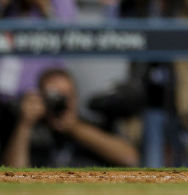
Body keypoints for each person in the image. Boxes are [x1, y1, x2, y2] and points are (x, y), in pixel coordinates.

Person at [1, 67, 139, 167]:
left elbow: (130, 159)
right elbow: (13, 176)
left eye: (66, 96)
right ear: (41, 98)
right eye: (54, 97)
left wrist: (74, 128)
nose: (60, 103)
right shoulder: (32, 132)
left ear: (76, 97)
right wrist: (24, 124)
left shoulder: (93, 124)